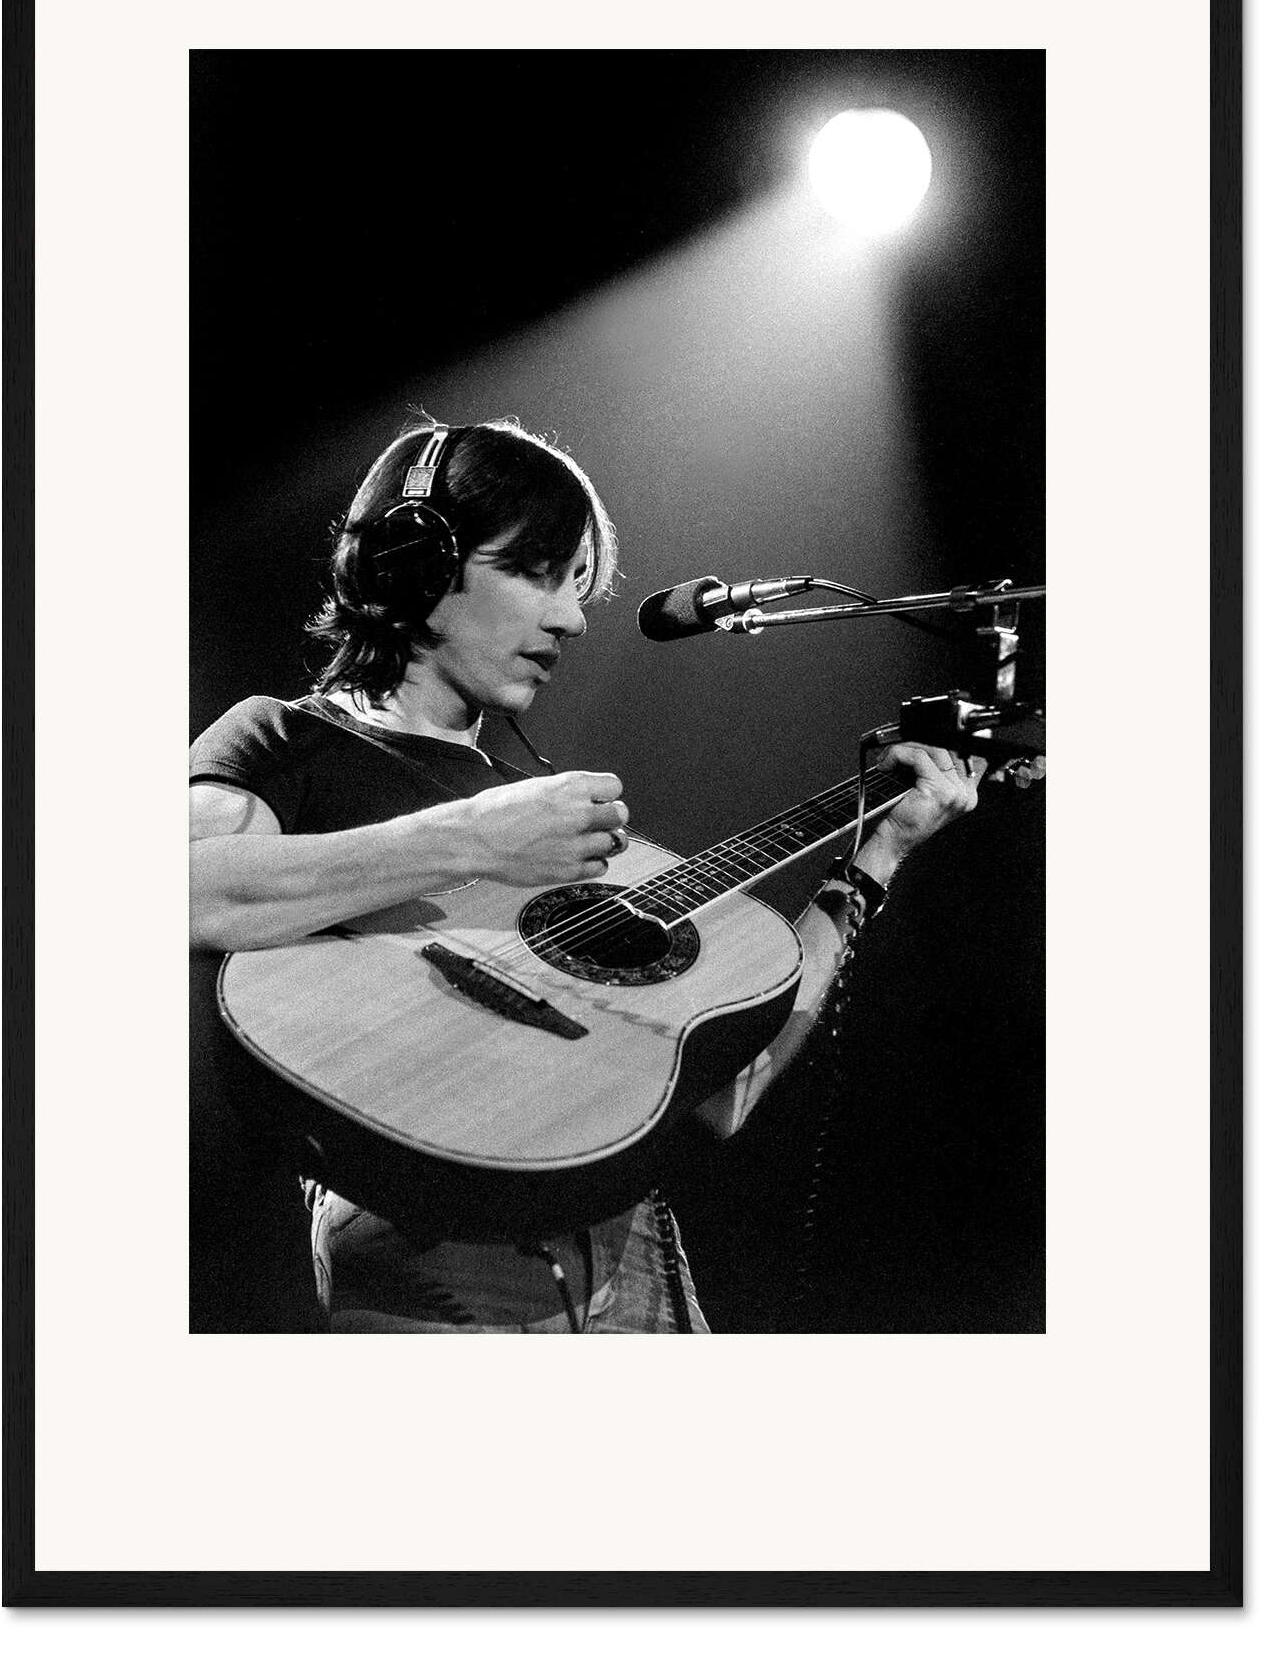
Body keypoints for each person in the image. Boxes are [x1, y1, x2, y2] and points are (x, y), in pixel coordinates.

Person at [189, 418, 987, 1333]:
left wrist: (878, 854)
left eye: (577, 586)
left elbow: (722, 1094)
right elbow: (186, 891)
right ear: (410, 564)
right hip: (422, 1254)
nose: (570, 619)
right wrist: (473, 838)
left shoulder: (546, 828)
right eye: (535, 573)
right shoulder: (283, 738)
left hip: (637, 1259)